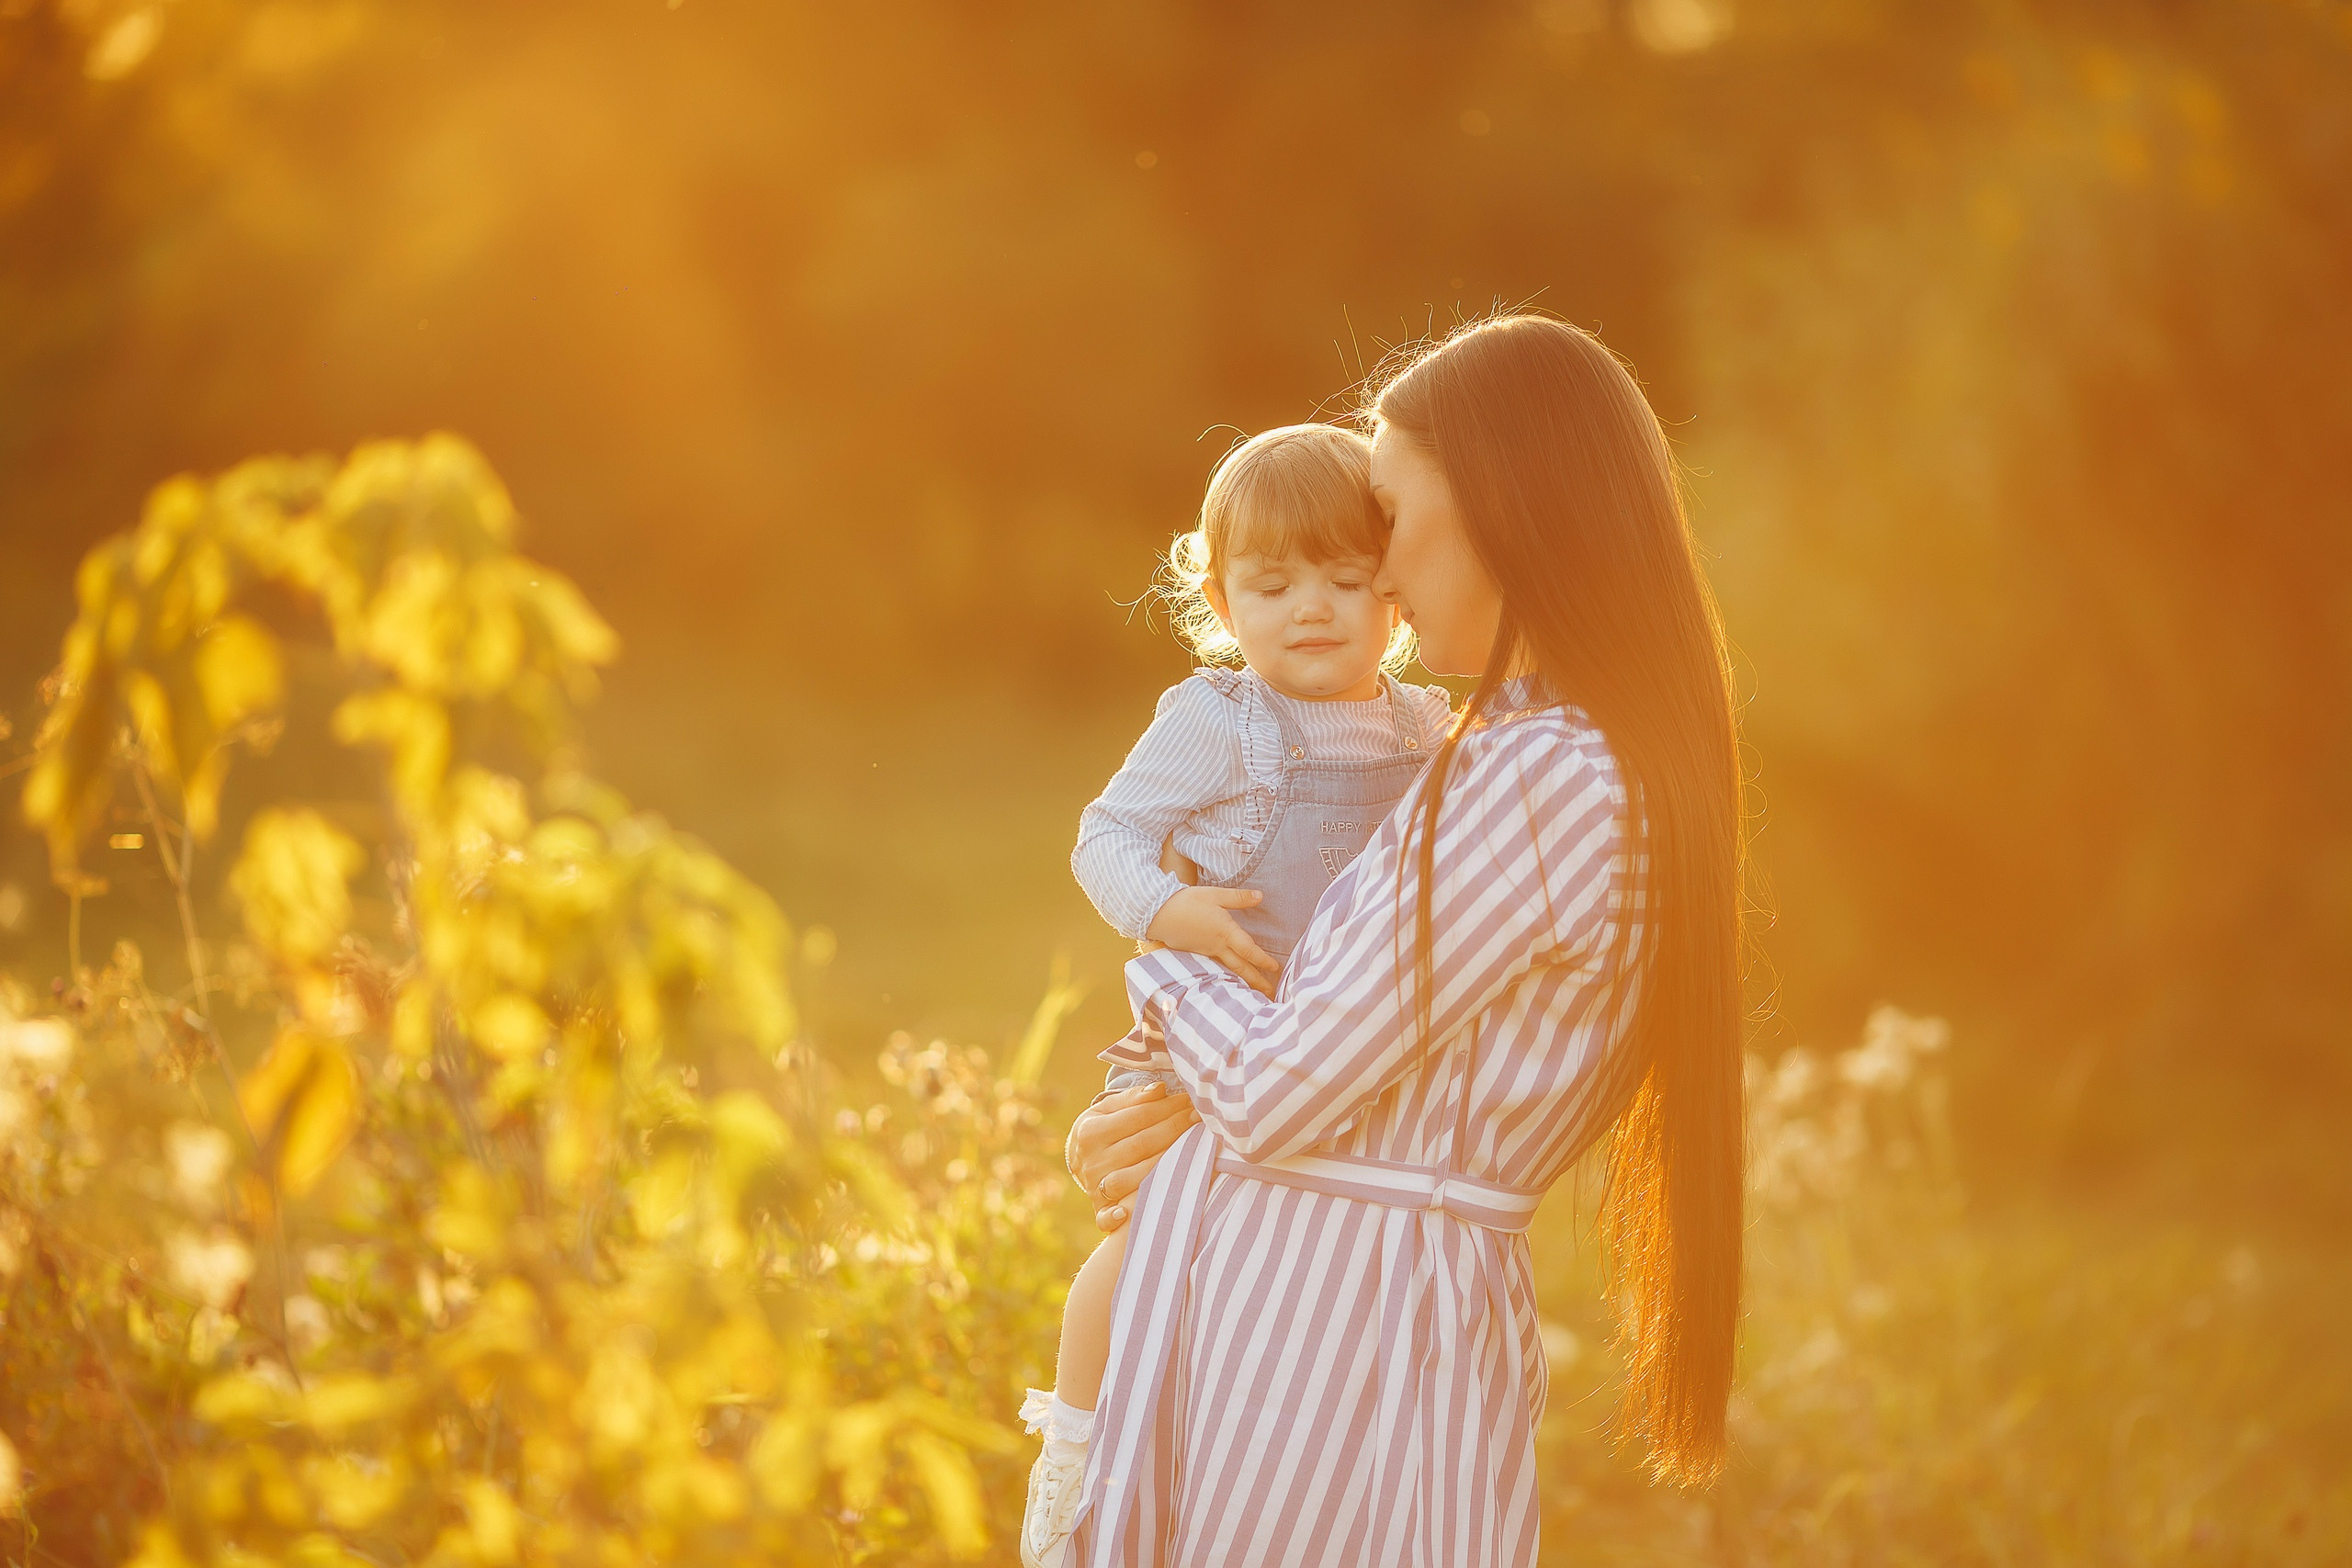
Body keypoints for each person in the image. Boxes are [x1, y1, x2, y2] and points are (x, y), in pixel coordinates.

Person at [1059, 313, 1747, 1567]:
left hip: (1331, 1333)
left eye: (1387, 512)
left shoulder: (1539, 773)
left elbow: (1275, 1091)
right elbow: (1352, 1052)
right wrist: (1175, 1117)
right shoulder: (1522, 749)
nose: (1377, 564)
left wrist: (1164, 971)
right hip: (1331, 1308)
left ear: (1498, 509)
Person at [1019, 423, 1455, 1568]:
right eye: (1271, 585)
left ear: (1395, 600)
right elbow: (1105, 833)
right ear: (1218, 596)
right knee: (1151, 1235)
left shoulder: (1423, 729)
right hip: (1215, 1039)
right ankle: (1077, 1442)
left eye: (1343, 580)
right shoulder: (1221, 720)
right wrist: (1173, 913)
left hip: (1349, 1053)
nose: (1309, 607)